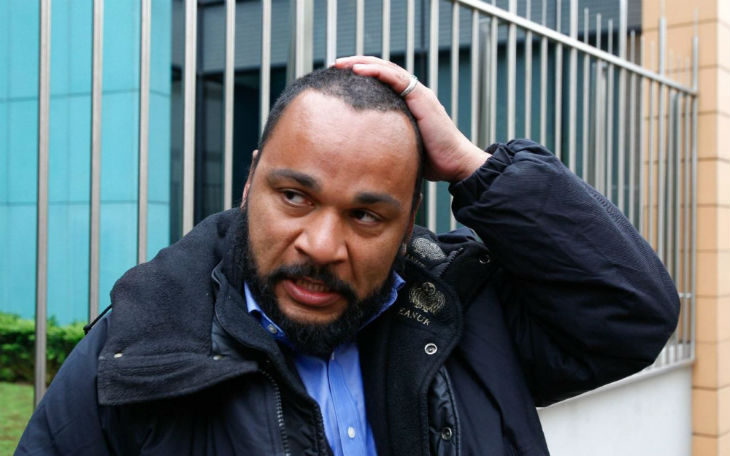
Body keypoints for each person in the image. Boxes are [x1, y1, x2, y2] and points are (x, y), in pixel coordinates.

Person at [16, 56, 679, 456]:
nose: (322, 246)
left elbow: (629, 314)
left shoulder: (466, 313)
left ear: (408, 223)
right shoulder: (141, 345)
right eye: (295, 197)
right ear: (251, 183)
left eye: (366, 215)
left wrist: (472, 167)